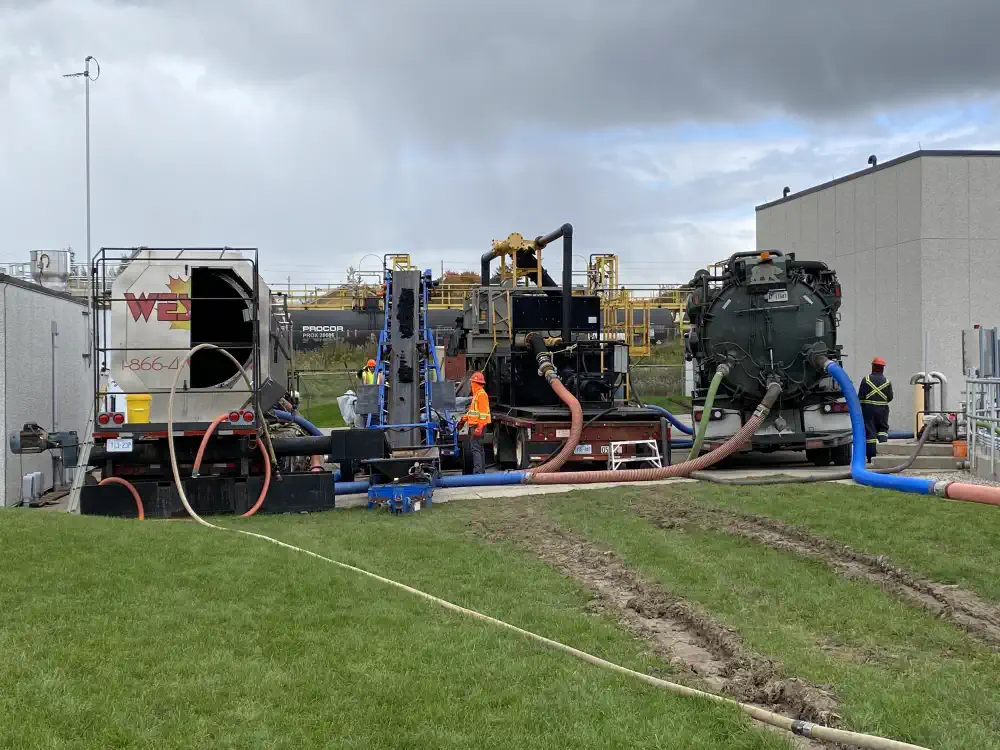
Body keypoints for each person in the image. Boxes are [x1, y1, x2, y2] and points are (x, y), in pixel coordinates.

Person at [858, 356, 893, 463]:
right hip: (882, 411)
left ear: (873, 367)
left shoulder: (866, 380)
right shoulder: (887, 382)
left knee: (870, 432)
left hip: (868, 410)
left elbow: (860, 396)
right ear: (883, 368)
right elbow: (890, 397)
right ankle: (882, 454)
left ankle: (871, 456)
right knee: (882, 430)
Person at [457, 371, 491, 474]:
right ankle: (481, 472)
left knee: (476, 449)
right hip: (475, 425)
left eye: (472, 382)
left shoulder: (481, 395)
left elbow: (484, 414)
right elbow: (472, 412)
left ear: (475, 383)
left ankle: (478, 473)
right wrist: (463, 420)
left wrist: (479, 428)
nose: (471, 384)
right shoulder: (477, 395)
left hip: (477, 426)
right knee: (479, 448)